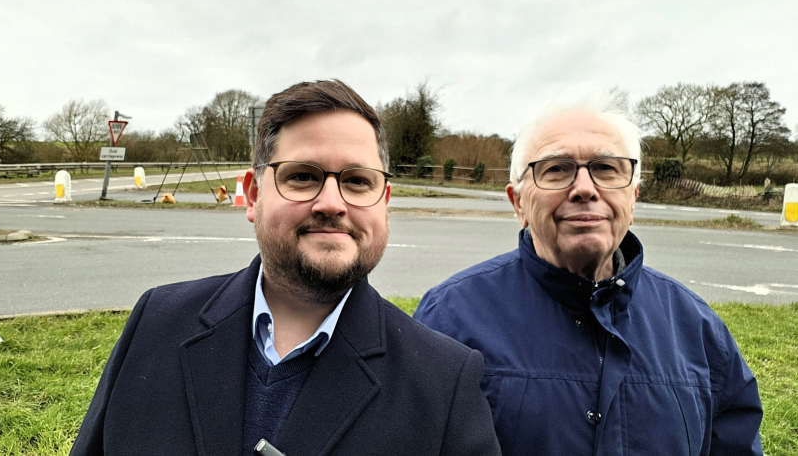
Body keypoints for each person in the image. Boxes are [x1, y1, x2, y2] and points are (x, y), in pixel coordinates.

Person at [70, 80, 500, 456]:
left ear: (383, 203)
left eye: (357, 181)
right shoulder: (157, 322)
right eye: (302, 176)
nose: (332, 202)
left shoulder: (443, 381)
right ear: (253, 195)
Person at [414, 97, 764, 455]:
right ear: (518, 203)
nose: (585, 188)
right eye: (556, 169)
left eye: (606, 168)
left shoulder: (698, 329)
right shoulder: (449, 319)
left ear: (633, 197)